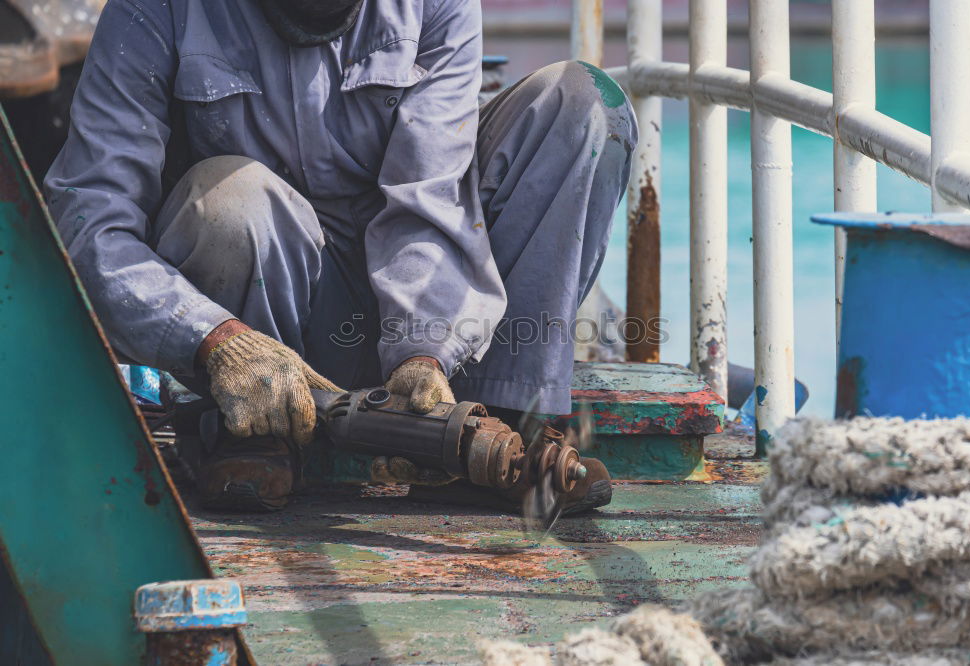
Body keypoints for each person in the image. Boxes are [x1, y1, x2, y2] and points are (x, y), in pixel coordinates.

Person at [44, 0, 637, 511]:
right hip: (268, 330)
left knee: (583, 105)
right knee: (230, 197)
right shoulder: (158, 9)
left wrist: (425, 350)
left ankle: (497, 417)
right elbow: (91, 214)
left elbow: (428, 194)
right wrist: (212, 338)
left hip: (439, 327)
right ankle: (256, 434)